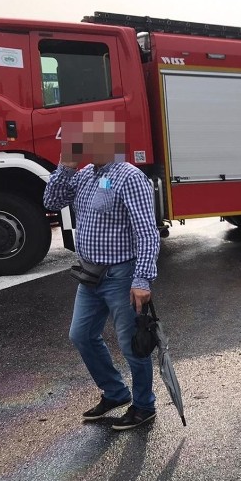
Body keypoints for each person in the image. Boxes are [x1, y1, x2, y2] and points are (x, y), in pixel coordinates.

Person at [43, 111, 161, 431]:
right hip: (90, 275)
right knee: (81, 335)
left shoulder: (128, 176)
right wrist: (66, 166)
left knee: (131, 343)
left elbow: (147, 232)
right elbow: (51, 200)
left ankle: (144, 405)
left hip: (121, 276)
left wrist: (142, 279)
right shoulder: (83, 175)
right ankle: (115, 392)